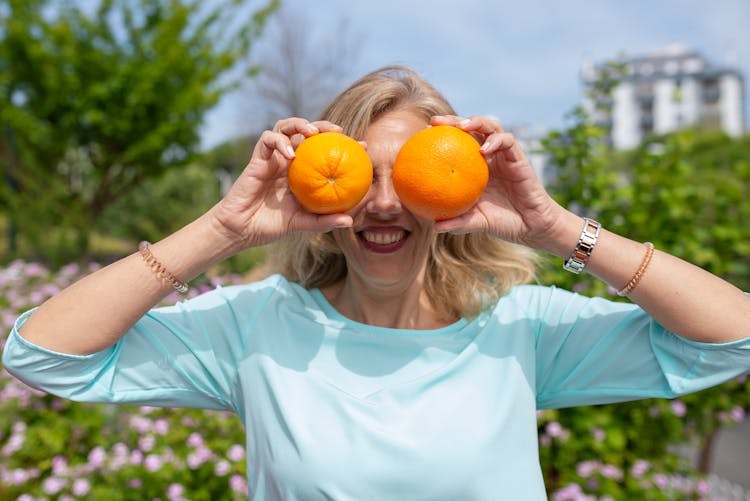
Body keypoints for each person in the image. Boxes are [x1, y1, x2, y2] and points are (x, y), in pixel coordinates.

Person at [3, 65, 750, 500]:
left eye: (411, 177)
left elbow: (733, 337)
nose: (386, 204)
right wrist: (222, 229)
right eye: (363, 174)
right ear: (318, 180)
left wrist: (558, 229)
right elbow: (41, 354)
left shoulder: (522, 329)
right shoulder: (254, 328)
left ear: (456, 188)